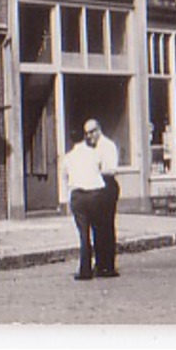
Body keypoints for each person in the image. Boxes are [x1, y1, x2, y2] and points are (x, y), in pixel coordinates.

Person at [61, 124, 107, 281]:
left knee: (83, 234)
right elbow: (100, 169)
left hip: (78, 196)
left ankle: (85, 270)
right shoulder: (95, 154)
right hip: (95, 195)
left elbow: (65, 178)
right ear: (84, 137)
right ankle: (101, 266)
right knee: (98, 231)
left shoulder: (68, 157)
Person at [85, 119, 119, 277]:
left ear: (98, 130)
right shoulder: (89, 148)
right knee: (96, 227)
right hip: (94, 187)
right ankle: (99, 263)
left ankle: (109, 265)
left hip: (107, 186)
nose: (89, 136)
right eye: (86, 133)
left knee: (107, 225)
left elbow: (111, 169)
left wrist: (96, 170)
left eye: (91, 132)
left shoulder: (108, 146)